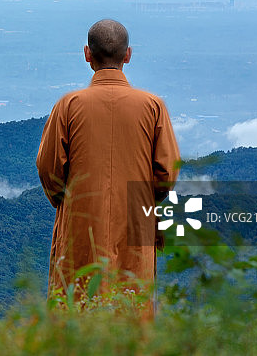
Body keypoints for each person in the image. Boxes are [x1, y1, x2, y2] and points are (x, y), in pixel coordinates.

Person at [35, 19, 179, 313]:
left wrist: (68, 200)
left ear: (87, 54)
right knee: (132, 305)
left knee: (76, 303)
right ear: (128, 54)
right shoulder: (153, 106)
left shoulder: (68, 105)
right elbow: (166, 172)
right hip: (135, 220)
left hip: (80, 219)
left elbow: (48, 169)